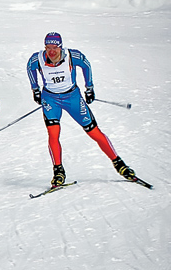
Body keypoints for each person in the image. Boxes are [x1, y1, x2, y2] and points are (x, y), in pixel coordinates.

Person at [27, 32, 136, 187]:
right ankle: (58, 172)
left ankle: (119, 164)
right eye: (48, 48)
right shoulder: (36, 59)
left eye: (55, 48)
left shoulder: (73, 56)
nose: (51, 52)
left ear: (61, 47)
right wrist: (35, 89)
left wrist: (89, 87)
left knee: (94, 132)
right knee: (53, 134)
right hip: (51, 99)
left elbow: (86, 65)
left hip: (72, 98)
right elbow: (29, 68)